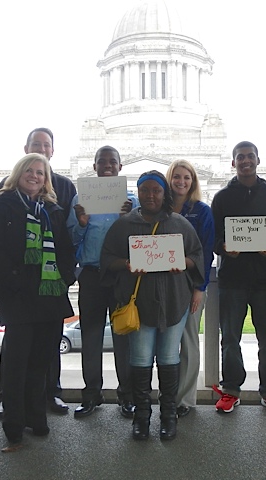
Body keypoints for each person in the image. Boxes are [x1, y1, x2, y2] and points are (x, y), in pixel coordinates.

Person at [100, 170, 204, 441]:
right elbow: (107, 258)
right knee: (141, 359)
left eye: (156, 190)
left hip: (174, 300)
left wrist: (183, 262)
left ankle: (168, 416)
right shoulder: (124, 225)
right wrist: (125, 264)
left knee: (170, 358)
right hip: (140, 302)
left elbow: (197, 255)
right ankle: (141, 417)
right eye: (144, 190)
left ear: (164, 193)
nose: (150, 195)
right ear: (138, 192)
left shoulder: (180, 224)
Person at [0, 153, 76, 445]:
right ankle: (14, 420)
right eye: (30, 171)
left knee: (41, 361)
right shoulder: (3, 205)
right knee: (16, 362)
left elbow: (65, 248)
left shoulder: (53, 209)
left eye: (40, 172)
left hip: (49, 294)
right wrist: (13, 278)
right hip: (19, 294)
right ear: (19, 173)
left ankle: (37, 417)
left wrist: (64, 278)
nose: (35, 176)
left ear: (46, 179)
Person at [211, 141, 266, 414]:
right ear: (233, 163)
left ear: (258, 160)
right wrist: (223, 248)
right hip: (232, 278)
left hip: (265, 280)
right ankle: (231, 389)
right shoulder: (221, 198)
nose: (245, 161)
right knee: (230, 338)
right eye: (240, 158)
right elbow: (213, 238)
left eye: (250, 157)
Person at [66, 146, 138, 418]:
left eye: (112, 162)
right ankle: (91, 394)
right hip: (92, 276)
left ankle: (126, 396)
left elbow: (140, 240)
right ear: (94, 166)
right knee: (91, 337)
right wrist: (82, 222)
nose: (107, 166)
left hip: (122, 276)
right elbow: (71, 240)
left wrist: (127, 220)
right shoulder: (81, 200)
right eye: (102, 162)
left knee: (124, 337)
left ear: (120, 167)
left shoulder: (132, 202)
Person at [165, 160, 214, 417]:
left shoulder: (202, 211)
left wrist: (199, 287)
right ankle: (167, 395)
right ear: (169, 179)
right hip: (162, 284)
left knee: (188, 340)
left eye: (186, 177)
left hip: (191, 284)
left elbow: (205, 252)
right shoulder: (158, 209)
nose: (181, 182)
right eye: (176, 177)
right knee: (165, 342)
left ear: (193, 181)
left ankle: (184, 399)